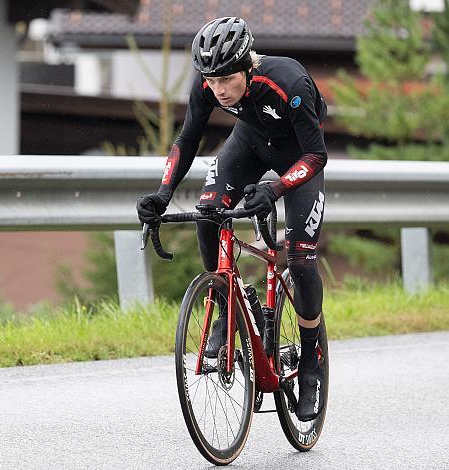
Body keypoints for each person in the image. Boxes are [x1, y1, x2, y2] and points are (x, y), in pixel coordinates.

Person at [136, 16, 327, 422]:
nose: (219, 89)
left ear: (246, 66)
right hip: (250, 144)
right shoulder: (207, 86)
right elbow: (186, 141)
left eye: (226, 78)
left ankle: (310, 363)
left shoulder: (288, 82)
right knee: (208, 212)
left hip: (298, 159)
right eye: (211, 79)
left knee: (299, 256)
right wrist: (163, 194)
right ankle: (227, 308)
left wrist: (275, 189)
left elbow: (316, 155)